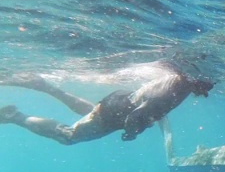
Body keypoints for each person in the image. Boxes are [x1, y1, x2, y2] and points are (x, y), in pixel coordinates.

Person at [0, 61, 214, 145]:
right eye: (206, 88)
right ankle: (16, 117)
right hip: (122, 113)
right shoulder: (179, 87)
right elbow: (138, 114)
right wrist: (132, 133)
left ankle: (48, 87)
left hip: (119, 102)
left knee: (95, 113)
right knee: (68, 136)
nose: (206, 93)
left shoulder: (180, 80)